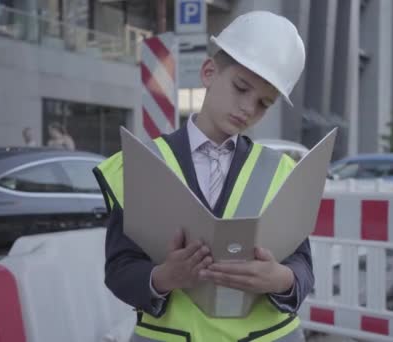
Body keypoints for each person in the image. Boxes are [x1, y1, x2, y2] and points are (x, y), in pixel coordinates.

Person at [93, 11, 311, 341]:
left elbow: (303, 266)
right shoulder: (141, 165)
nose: (248, 109)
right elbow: (120, 269)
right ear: (209, 72)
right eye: (241, 88)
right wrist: (165, 277)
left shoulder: (281, 173)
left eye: (264, 103)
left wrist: (281, 279)